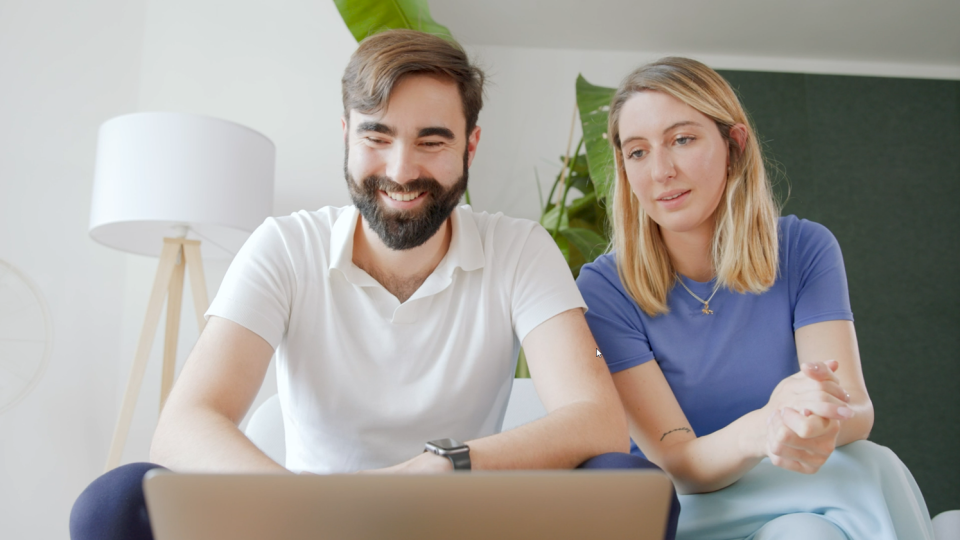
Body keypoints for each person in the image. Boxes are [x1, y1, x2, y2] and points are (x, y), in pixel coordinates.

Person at [71, 30, 679, 540]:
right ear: (346, 134)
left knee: (631, 483)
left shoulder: (519, 249)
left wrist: (445, 467)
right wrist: (301, 507)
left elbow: (596, 421)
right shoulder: (285, 246)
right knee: (113, 502)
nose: (400, 170)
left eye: (432, 141)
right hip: (302, 525)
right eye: (377, 136)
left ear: (470, 145)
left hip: (460, 522)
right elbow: (185, 423)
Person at [577, 57, 934, 540]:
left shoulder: (805, 249)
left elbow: (853, 409)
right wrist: (769, 424)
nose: (661, 170)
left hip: (790, 485)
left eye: (682, 139)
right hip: (684, 509)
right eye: (638, 152)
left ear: (734, 145)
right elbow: (680, 462)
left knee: (814, 531)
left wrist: (809, 424)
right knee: (871, 467)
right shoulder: (603, 289)